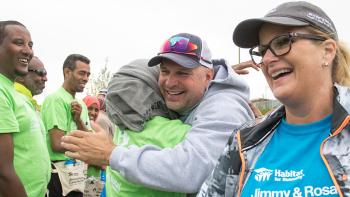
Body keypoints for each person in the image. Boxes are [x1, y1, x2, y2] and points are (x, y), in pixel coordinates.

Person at [62, 33, 254, 194]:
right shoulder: (183, 100)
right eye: (165, 71)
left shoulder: (224, 107)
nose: (170, 82)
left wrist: (110, 154)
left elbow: (190, 170)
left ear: (209, 76)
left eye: (182, 73)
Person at [197, 1, 350, 196]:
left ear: (327, 51)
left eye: (282, 42)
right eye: (262, 51)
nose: (267, 59)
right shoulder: (244, 140)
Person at [0, 20, 51, 197]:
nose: (28, 51)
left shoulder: (13, 92)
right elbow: (2, 173)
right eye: (18, 43)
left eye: (30, 45)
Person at [41, 54, 91, 197]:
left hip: (77, 173)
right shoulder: (55, 99)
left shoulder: (81, 104)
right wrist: (84, 146)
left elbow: (90, 139)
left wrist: (79, 121)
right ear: (67, 72)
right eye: (81, 73)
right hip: (60, 174)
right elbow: (57, 144)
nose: (86, 78)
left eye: (88, 74)